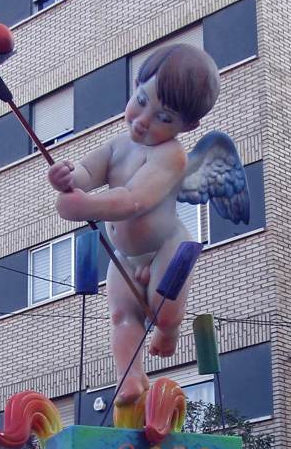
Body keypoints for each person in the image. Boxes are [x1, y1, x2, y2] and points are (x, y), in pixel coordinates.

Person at [46, 43, 221, 406]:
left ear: (188, 126)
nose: (143, 120)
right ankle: (130, 376)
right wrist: (68, 178)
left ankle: (169, 332)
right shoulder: (117, 145)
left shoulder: (170, 156)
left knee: (162, 308)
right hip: (125, 256)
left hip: (166, 247)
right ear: (135, 85)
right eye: (142, 100)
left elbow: (133, 199)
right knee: (121, 313)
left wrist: (87, 205)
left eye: (164, 117)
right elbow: (88, 171)